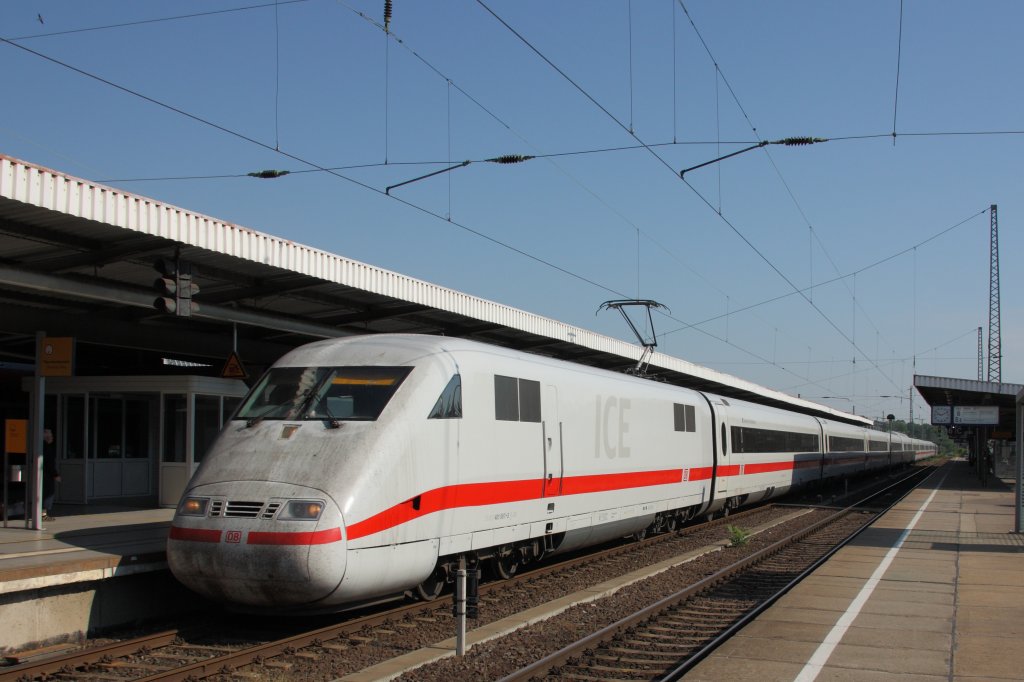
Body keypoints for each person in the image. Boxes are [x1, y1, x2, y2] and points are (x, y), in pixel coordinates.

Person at [42, 427, 61, 521]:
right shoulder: (46, 448)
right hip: (46, 475)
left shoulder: (44, 447)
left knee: (45, 493)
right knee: (47, 493)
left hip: (44, 474)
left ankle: (43, 514)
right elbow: (49, 463)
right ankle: (43, 514)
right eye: (49, 434)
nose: (52, 436)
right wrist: (55, 474)